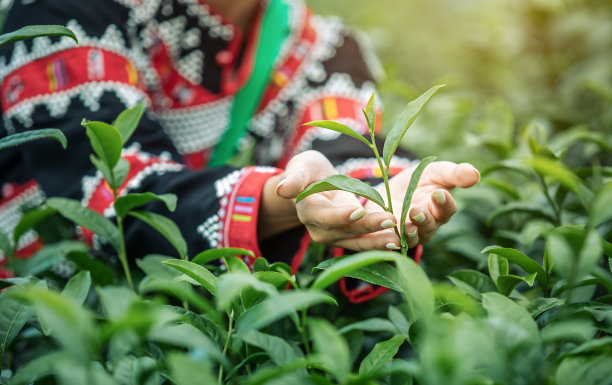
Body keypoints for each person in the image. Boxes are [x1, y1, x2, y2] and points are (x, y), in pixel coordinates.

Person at [0, 0, 478, 301]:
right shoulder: (64, 15)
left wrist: (383, 194)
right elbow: (122, 193)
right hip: (33, 315)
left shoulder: (323, 44)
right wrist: (286, 197)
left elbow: (347, 144)